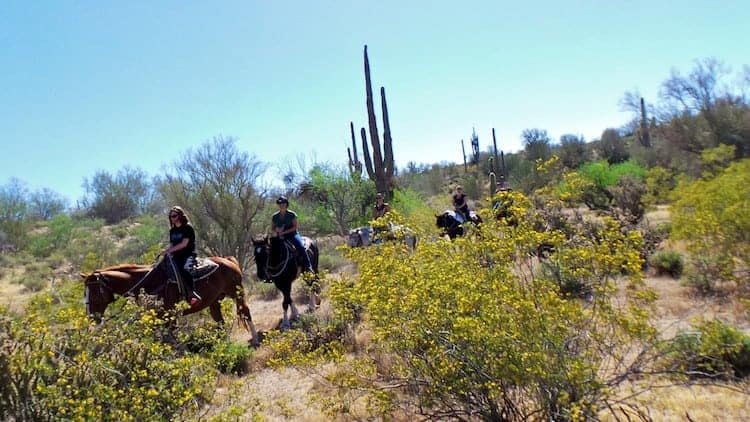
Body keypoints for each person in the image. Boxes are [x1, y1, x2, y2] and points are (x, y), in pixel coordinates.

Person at [161, 206, 201, 306]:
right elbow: (172, 244)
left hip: (188, 255)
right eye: (170, 217)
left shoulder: (187, 228)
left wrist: (169, 250)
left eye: (174, 216)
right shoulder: (173, 231)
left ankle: (192, 294)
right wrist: (167, 252)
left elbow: (184, 244)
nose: (172, 218)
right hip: (176, 256)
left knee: (184, 269)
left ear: (180, 216)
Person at [271, 196, 314, 273]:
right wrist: (276, 230)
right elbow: (273, 228)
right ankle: (270, 270)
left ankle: (308, 266)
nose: (281, 205)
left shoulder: (292, 214)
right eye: (280, 203)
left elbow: (295, 227)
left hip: (292, 235)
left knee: (300, 246)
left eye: (283, 203)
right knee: (270, 249)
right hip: (280, 236)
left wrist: (284, 232)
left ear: (286, 204)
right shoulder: (275, 216)